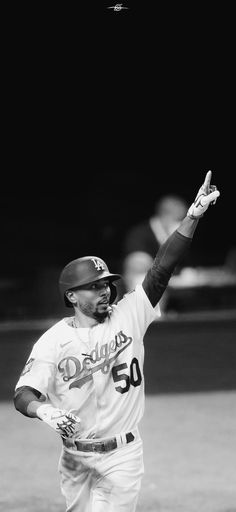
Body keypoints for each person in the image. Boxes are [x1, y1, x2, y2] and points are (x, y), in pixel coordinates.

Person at [13, 171, 220, 512]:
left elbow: (161, 268)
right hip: (75, 458)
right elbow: (24, 394)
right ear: (72, 296)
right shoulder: (54, 341)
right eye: (94, 286)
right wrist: (43, 409)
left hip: (122, 455)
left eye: (106, 283)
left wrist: (192, 217)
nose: (105, 289)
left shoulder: (131, 313)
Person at [122, 194, 188, 311]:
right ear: (165, 216)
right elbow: (138, 266)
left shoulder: (178, 239)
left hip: (171, 294)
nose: (183, 226)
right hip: (140, 300)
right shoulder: (139, 234)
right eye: (179, 221)